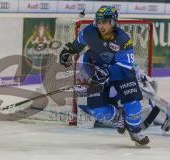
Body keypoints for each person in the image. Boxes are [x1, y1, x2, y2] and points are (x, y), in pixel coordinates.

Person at [59, 5, 150, 145]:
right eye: (99, 22)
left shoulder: (124, 39)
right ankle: (120, 118)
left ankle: (135, 131)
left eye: (105, 22)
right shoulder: (89, 32)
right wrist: (68, 51)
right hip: (98, 73)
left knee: (133, 105)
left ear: (113, 22)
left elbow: (125, 67)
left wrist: (108, 72)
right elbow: (77, 45)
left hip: (121, 74)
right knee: (96, 110)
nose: (101, 26)